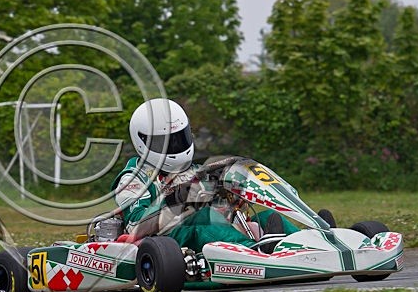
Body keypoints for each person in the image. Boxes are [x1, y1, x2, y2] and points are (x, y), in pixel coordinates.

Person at [112, 98, 293, 252]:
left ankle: (305, 245)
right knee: (204, 218)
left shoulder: (196, 171)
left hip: (215, 231)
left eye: (180, 138)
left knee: (267, 217)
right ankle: (254, 252)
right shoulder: (133, 178)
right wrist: (178, 200)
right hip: (166, 241)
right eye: (166, 142)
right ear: (143, 142)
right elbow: (136, 224)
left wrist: (232, 198)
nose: (176, 146)